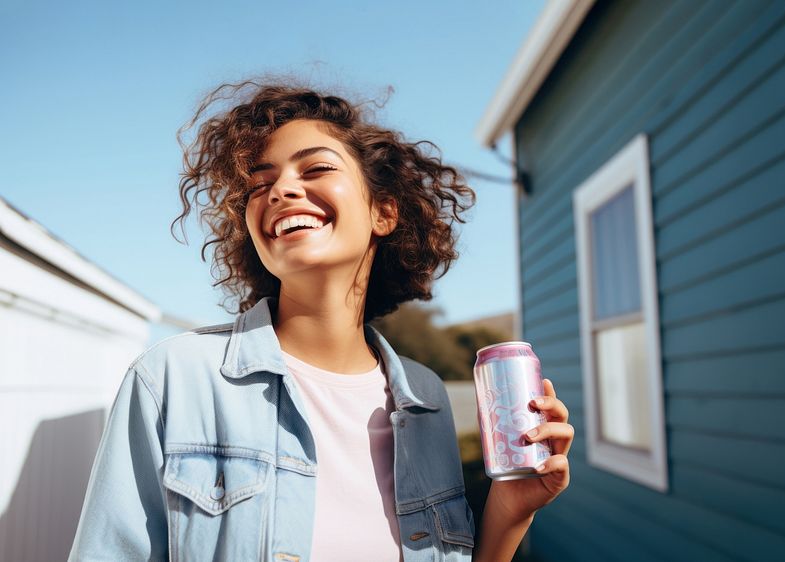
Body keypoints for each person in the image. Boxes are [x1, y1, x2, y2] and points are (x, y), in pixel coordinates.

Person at [67, 79, 573, 562]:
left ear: (384, 212)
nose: (281, 190)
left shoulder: (426, 398)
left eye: (314, 170)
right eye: (260, 183)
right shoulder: (171, 378)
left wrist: (510, 509)